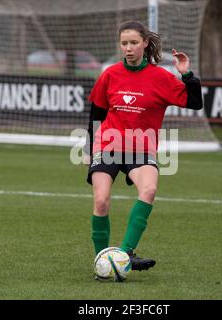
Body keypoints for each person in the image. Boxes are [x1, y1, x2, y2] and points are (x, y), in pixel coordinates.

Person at [84, 20, 203, 274]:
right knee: (102, 200)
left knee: (148, 190)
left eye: (134, 43)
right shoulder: (110, 74)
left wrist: (186, 74)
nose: (128, 48)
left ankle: (125, 254)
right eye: (124, 43)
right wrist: (87, 148)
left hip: (141, 149)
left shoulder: (160, 77)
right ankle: (102, 262)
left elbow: (195, 102)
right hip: (108, 145)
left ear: (145, 44)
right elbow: (96, 112)